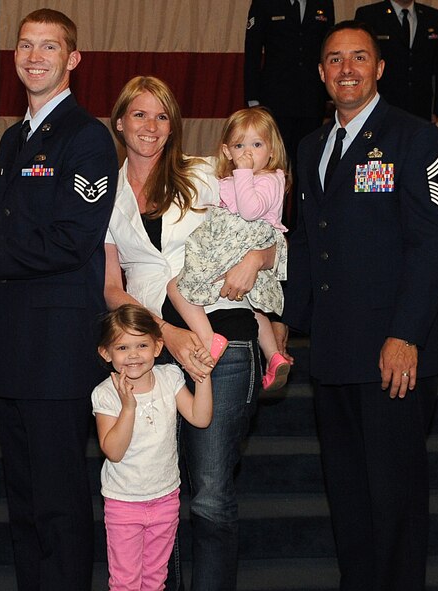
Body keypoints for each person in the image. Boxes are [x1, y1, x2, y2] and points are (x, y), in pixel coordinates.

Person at [0, 9, 118, 591]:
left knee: (58, 503)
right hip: (13, 348)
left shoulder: (87, 139)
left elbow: (67, 243)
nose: (35, 57)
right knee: (26, 503)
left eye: (49, 47)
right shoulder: (13, 140)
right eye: (25, 46)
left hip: (58, 353)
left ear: (72, 59)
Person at [275, 21, 438, 590]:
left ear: (379, 69)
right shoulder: (310, 147)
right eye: (335, 59)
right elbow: (306, 243)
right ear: (322, 72)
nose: (346, 69)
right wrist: (285, 321)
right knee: (349, 499)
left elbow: (433, 245)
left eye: (359, 58)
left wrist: (406, 335)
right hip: (333, 355)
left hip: (392, 357)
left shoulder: (415, 138)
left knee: (395, 504)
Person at [104, 75, 276, 590]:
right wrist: (166, 335)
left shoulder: (205, 174)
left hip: (223, 333)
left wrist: (258, 257)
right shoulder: (104, 192)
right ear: (119, 123)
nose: (151, 126)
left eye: (162, 116)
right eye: (140, 114)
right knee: (158, 493)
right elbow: (113, 288)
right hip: (149, 347)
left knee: (208, 494)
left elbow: (269, 224)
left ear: (174, 125)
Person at [169, 107, 291, 391]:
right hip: (237, 246)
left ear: (271, 150)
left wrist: (244, 171)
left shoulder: (270, 178)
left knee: (177, 288)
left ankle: (209, 338)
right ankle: (273, 357)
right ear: (226, 151)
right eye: (239, 146)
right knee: (251, 306)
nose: (247, 153)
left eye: (257, 145)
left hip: (243, 243)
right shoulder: (234, 178)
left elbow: (249, 211)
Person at [93, 304, 213, 590]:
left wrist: (204, 376)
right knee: (125, 582)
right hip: (124, 503)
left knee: (155, 580)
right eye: (122, 348)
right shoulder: (106, 394)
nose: (133, 355)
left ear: (158, 347)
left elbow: (200, 417)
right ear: (106, 353)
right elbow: (114, 451)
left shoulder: (169, 378)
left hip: (165, 499)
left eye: (142, 344)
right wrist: (128, 408)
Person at [244, 0, 335, 228]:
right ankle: (275, 225)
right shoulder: (266, 3)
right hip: (275, 102)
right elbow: (253, 50)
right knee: (275, 168)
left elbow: (328, 50)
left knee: (307, 166)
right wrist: (253, 99)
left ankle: (302, 226)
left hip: (311, 102)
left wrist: (330, 97)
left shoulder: (323, 3)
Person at [355, 0, 438, 122]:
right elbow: (360, 63)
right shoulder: (369, 15)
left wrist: (436, 108)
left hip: (421, 107)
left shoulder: (433, 17)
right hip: (381, 105)